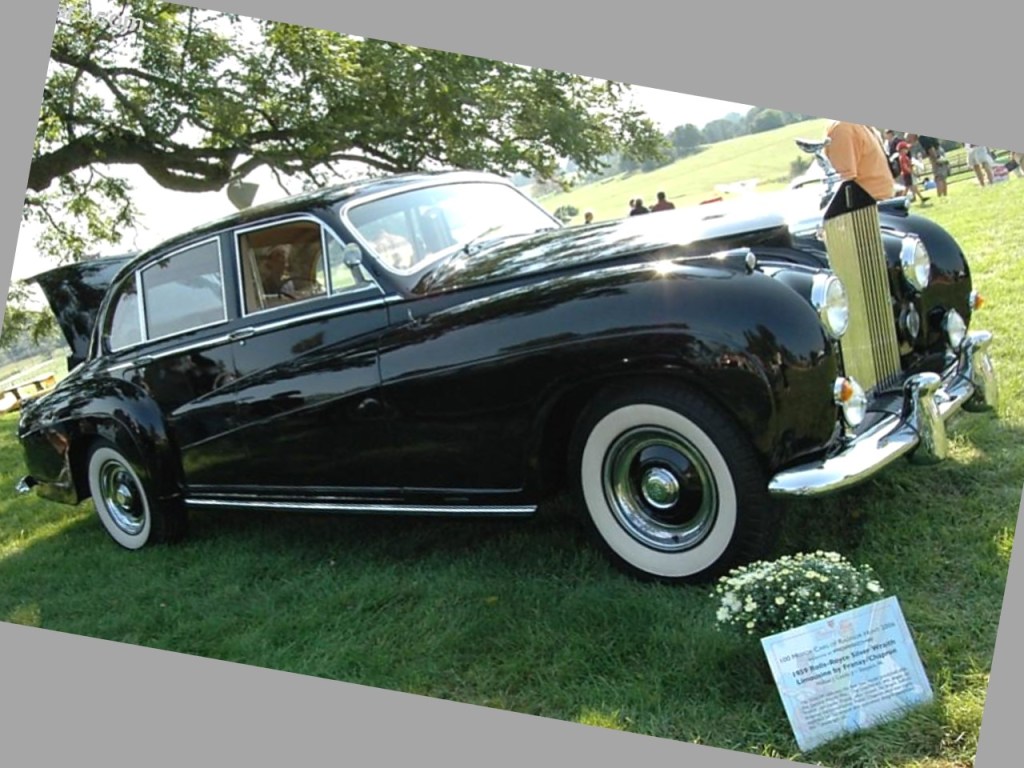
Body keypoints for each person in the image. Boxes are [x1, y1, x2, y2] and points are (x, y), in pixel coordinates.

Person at [824, 121, 895, 201]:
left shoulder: (865, 127)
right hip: (868, 207)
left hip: (884, 202)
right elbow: (843, 184)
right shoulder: (844, 129)